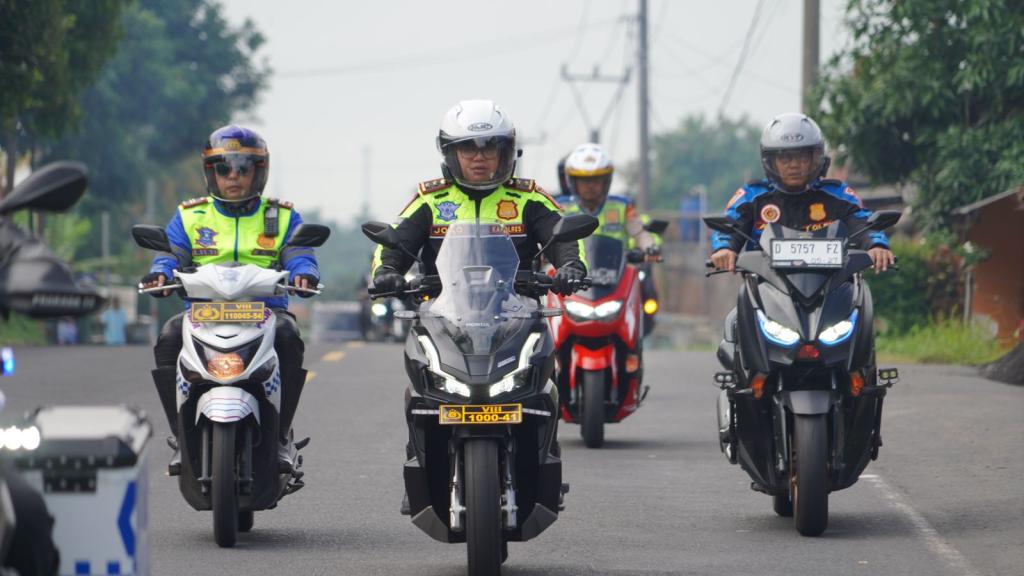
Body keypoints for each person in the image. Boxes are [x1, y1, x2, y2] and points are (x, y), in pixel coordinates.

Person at [140, 125, 320, 470]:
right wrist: (161, 272)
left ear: (259, 172)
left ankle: (280, 436)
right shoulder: (190, 216)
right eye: (224, 168)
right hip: (202, 314)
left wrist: (304, 273)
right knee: (168, 338)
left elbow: (299, 252)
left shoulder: (281, 216)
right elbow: (170, 253)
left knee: (288, 337)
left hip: (265, 312)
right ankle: (181, 433)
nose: (233, 176)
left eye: (243, 168)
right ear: (212, 173)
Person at [371, 100, 587, 296]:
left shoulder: (529, 198)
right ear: (450, 152)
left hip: (519, 315)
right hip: (440, 318)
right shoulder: (430, 200)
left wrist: (571, 266)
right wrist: (387, 271)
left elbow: (563, 236)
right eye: (467, 148)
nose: (478, 157)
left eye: (489, 147)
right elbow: (396, 241)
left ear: (506, 151)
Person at [710, 113, 895, 271]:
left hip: (832, 291)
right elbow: (730, 226)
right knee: (735, 315)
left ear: (816, 158)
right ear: (770, 161)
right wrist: (724, 249)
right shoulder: (752, 195)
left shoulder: (838, 194)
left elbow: (862, 221)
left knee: (861, 307)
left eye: (802, 157)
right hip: (765, 290)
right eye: (785, 158)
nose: (794, 165)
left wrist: (876, 245)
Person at [556, 143, 660, 260]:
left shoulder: (623, 206)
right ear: (573, 182)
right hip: (573, 271)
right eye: (584, 180)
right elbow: (547, 235)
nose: (590, 186)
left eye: (596, 180)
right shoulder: (560, 207)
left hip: (615, 272)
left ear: (606, 181)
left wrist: (650, 247)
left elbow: (639, 233)